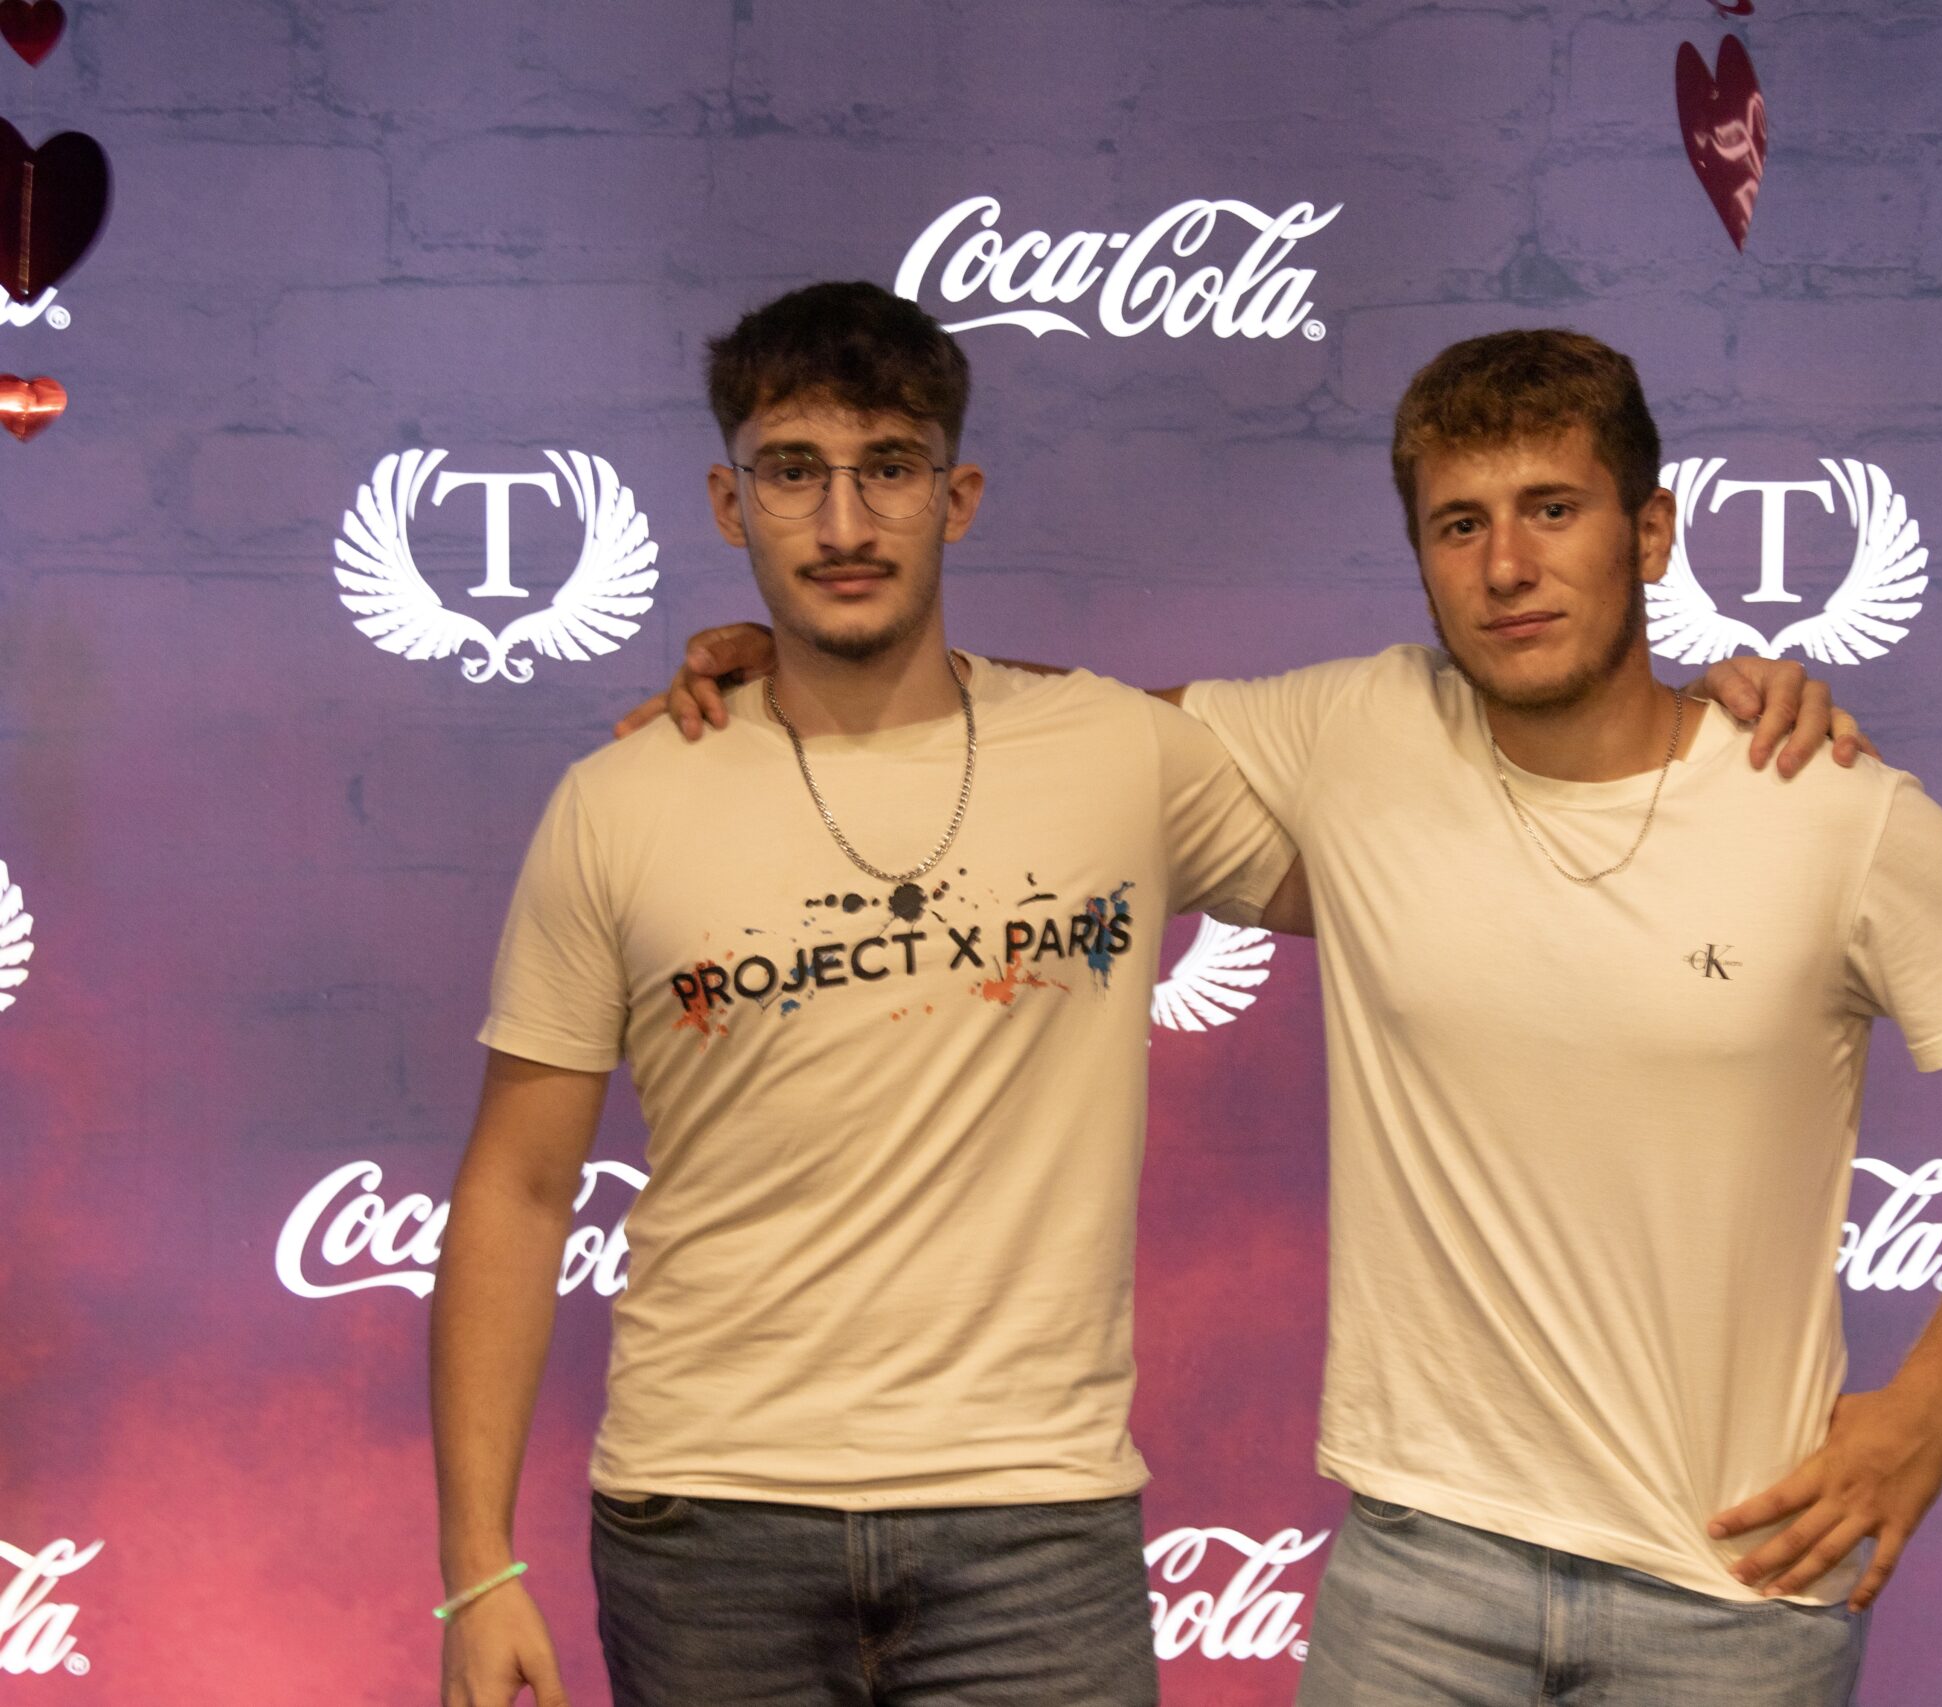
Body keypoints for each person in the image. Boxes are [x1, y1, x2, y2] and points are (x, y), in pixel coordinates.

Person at [639, 328, 1942, 1706]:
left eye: (1553, 509)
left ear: (1651, 534)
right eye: (1458, 525)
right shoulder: (1359, 729)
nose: (1507, 566)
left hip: (1732, 1589)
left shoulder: (1823, 802)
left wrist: (1930, 1407)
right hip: (1419, 1578)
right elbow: (1075, 737)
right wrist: (828, 667)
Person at [434, 285, 1849, 1707]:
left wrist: (1694, 729)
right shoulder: (620, 802)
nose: (844, 523)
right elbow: (518, 1185)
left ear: (957, 498)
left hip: (1034, 1533)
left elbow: (1477, 825)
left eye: (890, 469)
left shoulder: (1114, 752)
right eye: (794, 473)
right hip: (703, 1526)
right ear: (729, 502)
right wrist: (479, 1568)